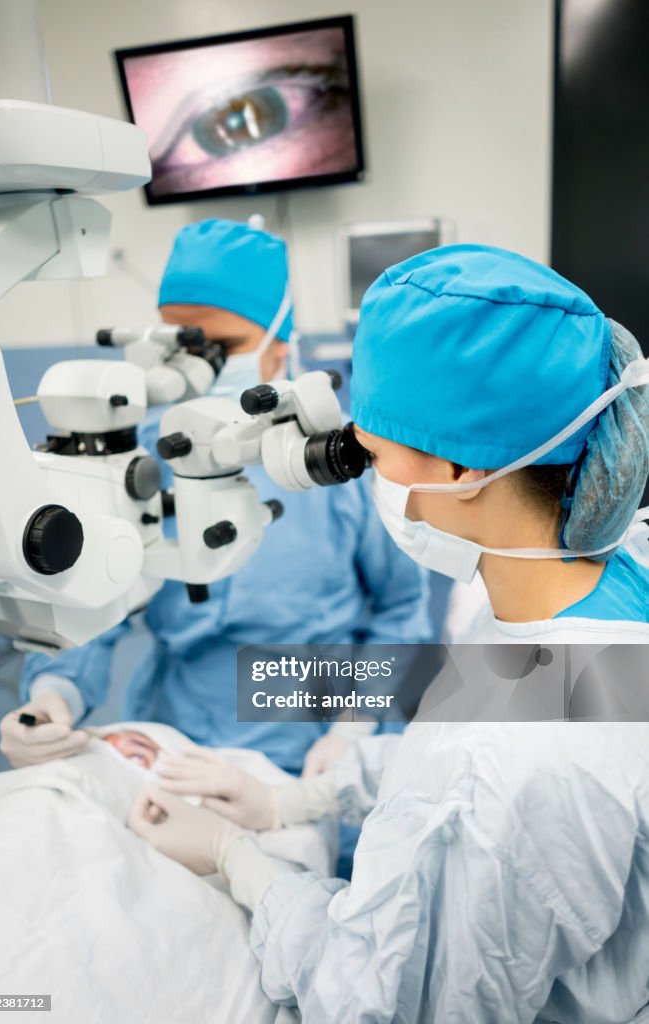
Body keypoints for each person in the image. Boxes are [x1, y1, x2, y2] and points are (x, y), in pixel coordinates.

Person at [129, 245, 649, 1023]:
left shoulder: (499, 772)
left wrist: (236, 861)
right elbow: (490, 716)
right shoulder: (588, 590)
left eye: (368, 451)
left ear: (454, 470)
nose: (360, 468)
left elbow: (384, 1002)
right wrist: (299, 797)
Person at [0, 219, 429, 850]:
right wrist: (55, 695)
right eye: (176, 348)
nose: (191, 374)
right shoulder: (138, 457)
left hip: (302, 734)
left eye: (218, 349)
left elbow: (399, 608)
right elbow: (95, 595)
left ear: (279, 348)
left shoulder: (343, 465)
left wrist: (353, 727)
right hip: (174, 729)